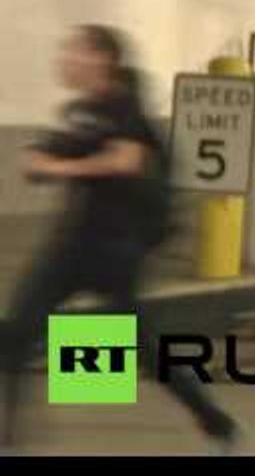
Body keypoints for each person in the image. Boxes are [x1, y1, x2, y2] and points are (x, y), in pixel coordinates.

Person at [0, 25, 241, 453]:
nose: (64, 60)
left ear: (102, 59)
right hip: (73, 243)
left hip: (116, 248)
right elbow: (39, 158)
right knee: (18, 329)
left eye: (74, 52)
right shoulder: (78, 112)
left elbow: (125, 160)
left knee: (138, 347)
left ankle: (217, 423)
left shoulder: (125, 107)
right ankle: (11, 439)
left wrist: (60, 168)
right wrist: (49, 162)